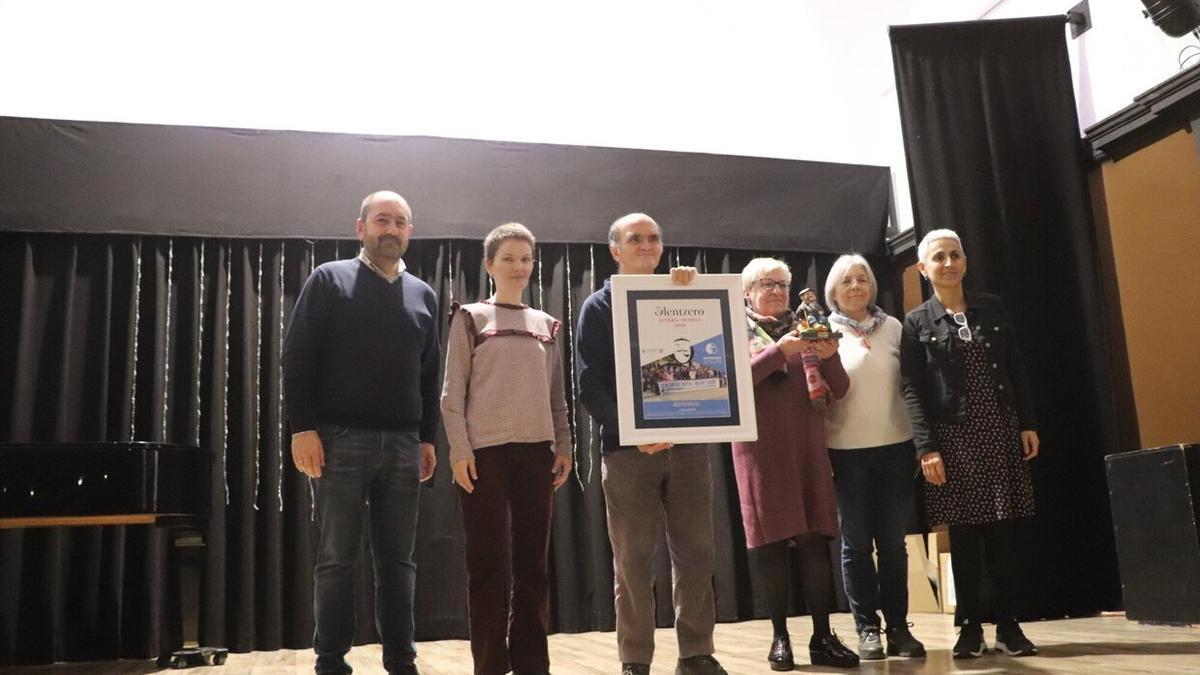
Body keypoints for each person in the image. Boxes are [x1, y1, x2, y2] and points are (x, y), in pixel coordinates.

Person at [282, 190, 440, 675]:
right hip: (338, 439)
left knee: (399, 562)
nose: (390, 229)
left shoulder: (424, 294)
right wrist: (302, 427)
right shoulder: (328, 279)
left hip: (403, 444)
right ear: (361, 228)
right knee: (336, 559)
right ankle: (330, 661)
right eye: (381, 220)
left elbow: (429, 375)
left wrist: (427, 438)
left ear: (410, 232)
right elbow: (298, 356)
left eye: (400, 222)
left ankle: (402, 660)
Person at [576, 213, 728, 675]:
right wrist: (635, 432)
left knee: (698, 553)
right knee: (634, 561)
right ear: (615, 250)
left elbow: (714, 358)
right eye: (634, 239)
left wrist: (692, 288)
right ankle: (635, 660)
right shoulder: (598, 308)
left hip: (687, 449)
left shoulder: (684, 295)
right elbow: (590, 385)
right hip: (627, 453)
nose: (646, 245)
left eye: (653, 238)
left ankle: (697, 653)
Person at [899, 229, 1040, 659]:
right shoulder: (917, 322)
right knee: (962, 537)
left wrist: (1027, 422)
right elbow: (911, 388)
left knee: (1001, 532)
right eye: (938, 257)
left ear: (965, 262)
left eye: (955, 255)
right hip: (952, 439)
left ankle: (1010, 625)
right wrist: (926, 447)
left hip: (998, 430)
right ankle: (970, 628)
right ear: (924, 269)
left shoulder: (991, 308)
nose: (949, 263)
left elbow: (1015, 365)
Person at [441, 223, 574, 675]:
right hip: (484, 457)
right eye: (509, 258)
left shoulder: (546, 326)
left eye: (526, 258)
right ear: (489, 265)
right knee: (488, 566)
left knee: (533, 566)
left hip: (537, 453)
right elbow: (451, 394)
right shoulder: (470, 318)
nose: (519, 266)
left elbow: (557, 396)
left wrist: (565, 444)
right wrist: (460, 450)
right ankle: (490, 665)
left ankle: (533, 663)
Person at [732, 258, 859, 671]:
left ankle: (822, 637)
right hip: (758, 452)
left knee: (813, 542)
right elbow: (728, 385)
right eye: (767, 284)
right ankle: (780, 638)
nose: (777, 291)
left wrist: (831, 354)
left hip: (807, 448)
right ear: (747, 292)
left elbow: (838, 389)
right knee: (770, 546)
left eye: (783, 285)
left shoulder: (809, 325)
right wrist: (776, 352)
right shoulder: (732, 330)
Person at [823, 254, 926, 661]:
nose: (854, 286)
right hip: (844, 453)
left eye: (861, 278)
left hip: (896, 449)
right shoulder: (821, 331)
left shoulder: (896, 328)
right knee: (856, 545)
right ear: (833, 290)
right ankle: (867, 628)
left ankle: (899, 627)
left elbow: (913, 386)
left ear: (872, 286)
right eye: (846, 280)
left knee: (893, 544)